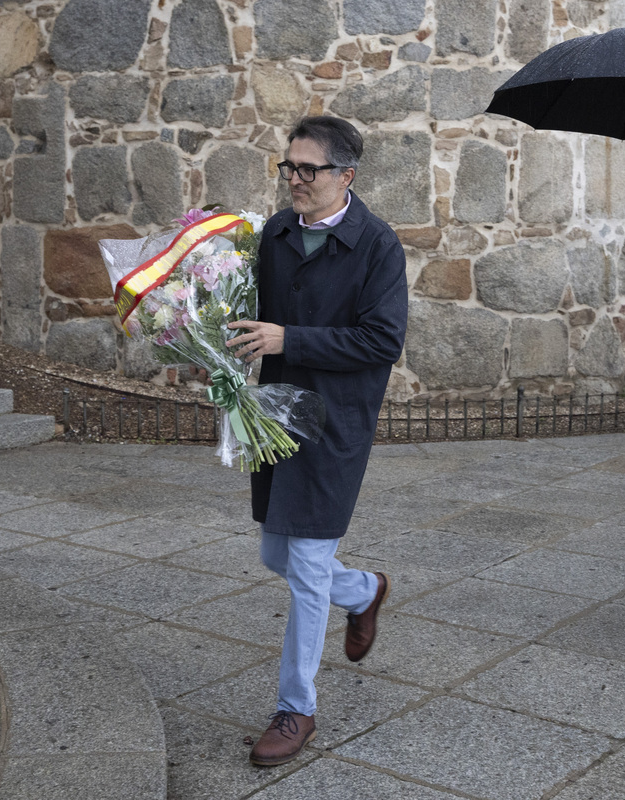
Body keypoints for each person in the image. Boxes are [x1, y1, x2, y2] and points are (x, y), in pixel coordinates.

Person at [224, 116, 407, 767]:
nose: (295, 180)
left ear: (346, 176)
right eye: (289, 168)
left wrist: (288, 339)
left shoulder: (378, 246)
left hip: (334, 424)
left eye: (309, 170)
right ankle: (362, 591)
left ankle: (295, 708)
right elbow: (247, 310)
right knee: (276, 555)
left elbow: (383, 340)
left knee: (304, 568)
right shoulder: (274, 233)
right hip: (275, 414)